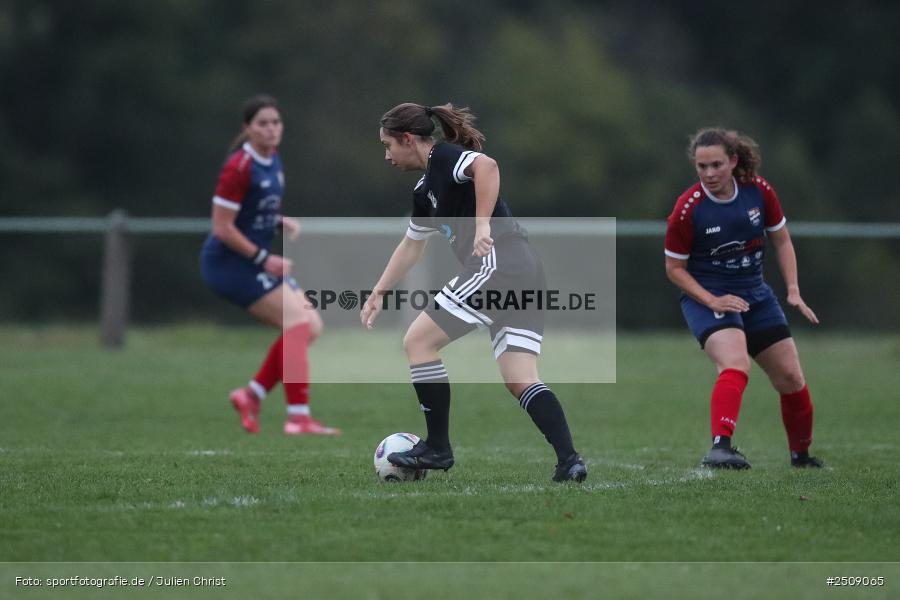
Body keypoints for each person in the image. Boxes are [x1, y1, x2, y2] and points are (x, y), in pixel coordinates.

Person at [361, 102, 587, 482]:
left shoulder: (443, 157)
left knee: (418, 341)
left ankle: (437, 447)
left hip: (499, 264)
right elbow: (412, 245)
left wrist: (482, 225)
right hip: (524, 269)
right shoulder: (424, 190)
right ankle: (569, 461)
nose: (386, 156)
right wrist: (379, 291)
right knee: (520, 377)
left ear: (408, 139)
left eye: (388, 145)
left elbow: (488, 166)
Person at [664, 128, 822, 469]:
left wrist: (793, 289)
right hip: (708, 297)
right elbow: (674, 269)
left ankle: (802, 457)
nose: (709, 174)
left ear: (733, 161)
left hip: (756, 295)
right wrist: (711, 300)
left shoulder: (758, 191)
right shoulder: (687, 209)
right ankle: (720, 448)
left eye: (716, 165)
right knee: (735, 364)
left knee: (791, 378)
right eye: (702, 166)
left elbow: (781, 240)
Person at [200, 94, 339, 436]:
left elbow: (253, 208)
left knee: (311, 326)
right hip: (229, 265)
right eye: (262, 123)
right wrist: (265, 259)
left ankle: (251, 396)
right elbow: (222, 228)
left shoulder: (272, 157)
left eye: (276, 122)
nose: (271, 129)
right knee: (298, 324)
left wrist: (278, 220)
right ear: (247, 128)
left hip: (254, 262)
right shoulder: (239, 167)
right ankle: (298, 418)